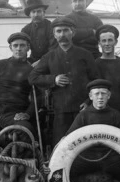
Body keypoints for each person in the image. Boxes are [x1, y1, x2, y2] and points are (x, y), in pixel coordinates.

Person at [28, 16, 99, 147]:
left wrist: (89, 102)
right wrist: (53, 79)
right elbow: (33, 77)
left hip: (83, 110)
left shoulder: (85, 55)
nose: (62, 34)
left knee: (86, 145)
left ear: (73, 33)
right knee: (61, 146)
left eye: (66, 30)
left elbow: (96, 80)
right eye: (58, 31)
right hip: (61, 112)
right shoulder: (49, 57)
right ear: (54, 35)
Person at [0, 32, 37, 139]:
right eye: (15, 45)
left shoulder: (32, 71)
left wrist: (28, 113)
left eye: (22, 45)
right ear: (10, 48)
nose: (19, 49)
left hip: (24, 113)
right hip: (5, 113)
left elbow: (37, 96)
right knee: (25, 130)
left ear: (28, 48)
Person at [95, 24, 120, 117]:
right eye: (104, 41)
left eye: (110, 40)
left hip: (118, 112)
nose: (107, 44)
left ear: (115, 42)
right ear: (99, 43)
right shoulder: (94, 65)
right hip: (98, 113)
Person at [21, 0, 56, 64]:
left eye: (39, 11)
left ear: (44, 13)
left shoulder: (51, 27)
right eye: (33, 12)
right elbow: (22, 48)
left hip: (50, 61)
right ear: (30, 14)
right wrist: (24, 61)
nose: (36, 15)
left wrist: (40, 62)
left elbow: (53, 50)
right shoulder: (26, 30)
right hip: (33, 60)